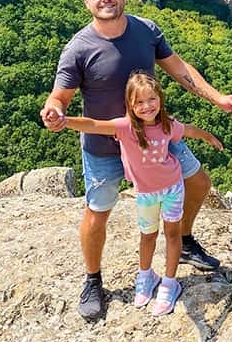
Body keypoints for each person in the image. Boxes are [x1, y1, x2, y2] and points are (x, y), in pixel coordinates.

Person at [40, 0, 232, 321]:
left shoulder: (146, 30)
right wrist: (54, 111)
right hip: (105, 145)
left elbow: (178, 68)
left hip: (155, 135)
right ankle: (93, 280)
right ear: (86, 2)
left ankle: (182, 240)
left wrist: (217, 98)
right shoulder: (78, 48)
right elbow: (60, 96)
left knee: (199, 182)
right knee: (98, 213)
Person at [53, 71, 223, 316]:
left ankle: (169, 282)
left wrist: (208, 136)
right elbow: (92, 125)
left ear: (160, 100)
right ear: (130, 106)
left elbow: (187, 130)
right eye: (140, 102)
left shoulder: (166, 125)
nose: (147, 106)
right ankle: (146, 276)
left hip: (172, 187)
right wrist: (64, 120)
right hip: (146, 194)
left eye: (152, 99)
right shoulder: (125, 128)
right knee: (148, 236)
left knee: (173, 235)